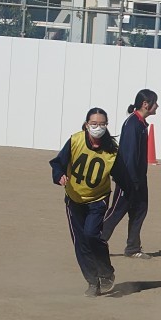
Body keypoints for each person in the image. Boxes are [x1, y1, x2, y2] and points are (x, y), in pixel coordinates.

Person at [49, 107, 129, 297]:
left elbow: (122, 177)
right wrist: (59, 175)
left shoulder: (113, 150)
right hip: (74, 198)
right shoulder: (75, 140)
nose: (97, 127)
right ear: (86, 125)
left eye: (102, 124)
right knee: (80, 242)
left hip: (98, 200)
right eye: (94, 123)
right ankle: (93, 282)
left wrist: (130, 196)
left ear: (107, 125)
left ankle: (106, 271)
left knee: (92, 235)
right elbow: (58, 162)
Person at [102, 89, 158, 259]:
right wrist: (130, 181)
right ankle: (96, 243)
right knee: (117, 212)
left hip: (139, 179)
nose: (157, 106)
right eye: (155, 102)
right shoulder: (132, 124)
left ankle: (133, 248)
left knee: (140, 209)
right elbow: (129, 156)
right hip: (127, 179)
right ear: (145, 104)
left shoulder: (141, 124)